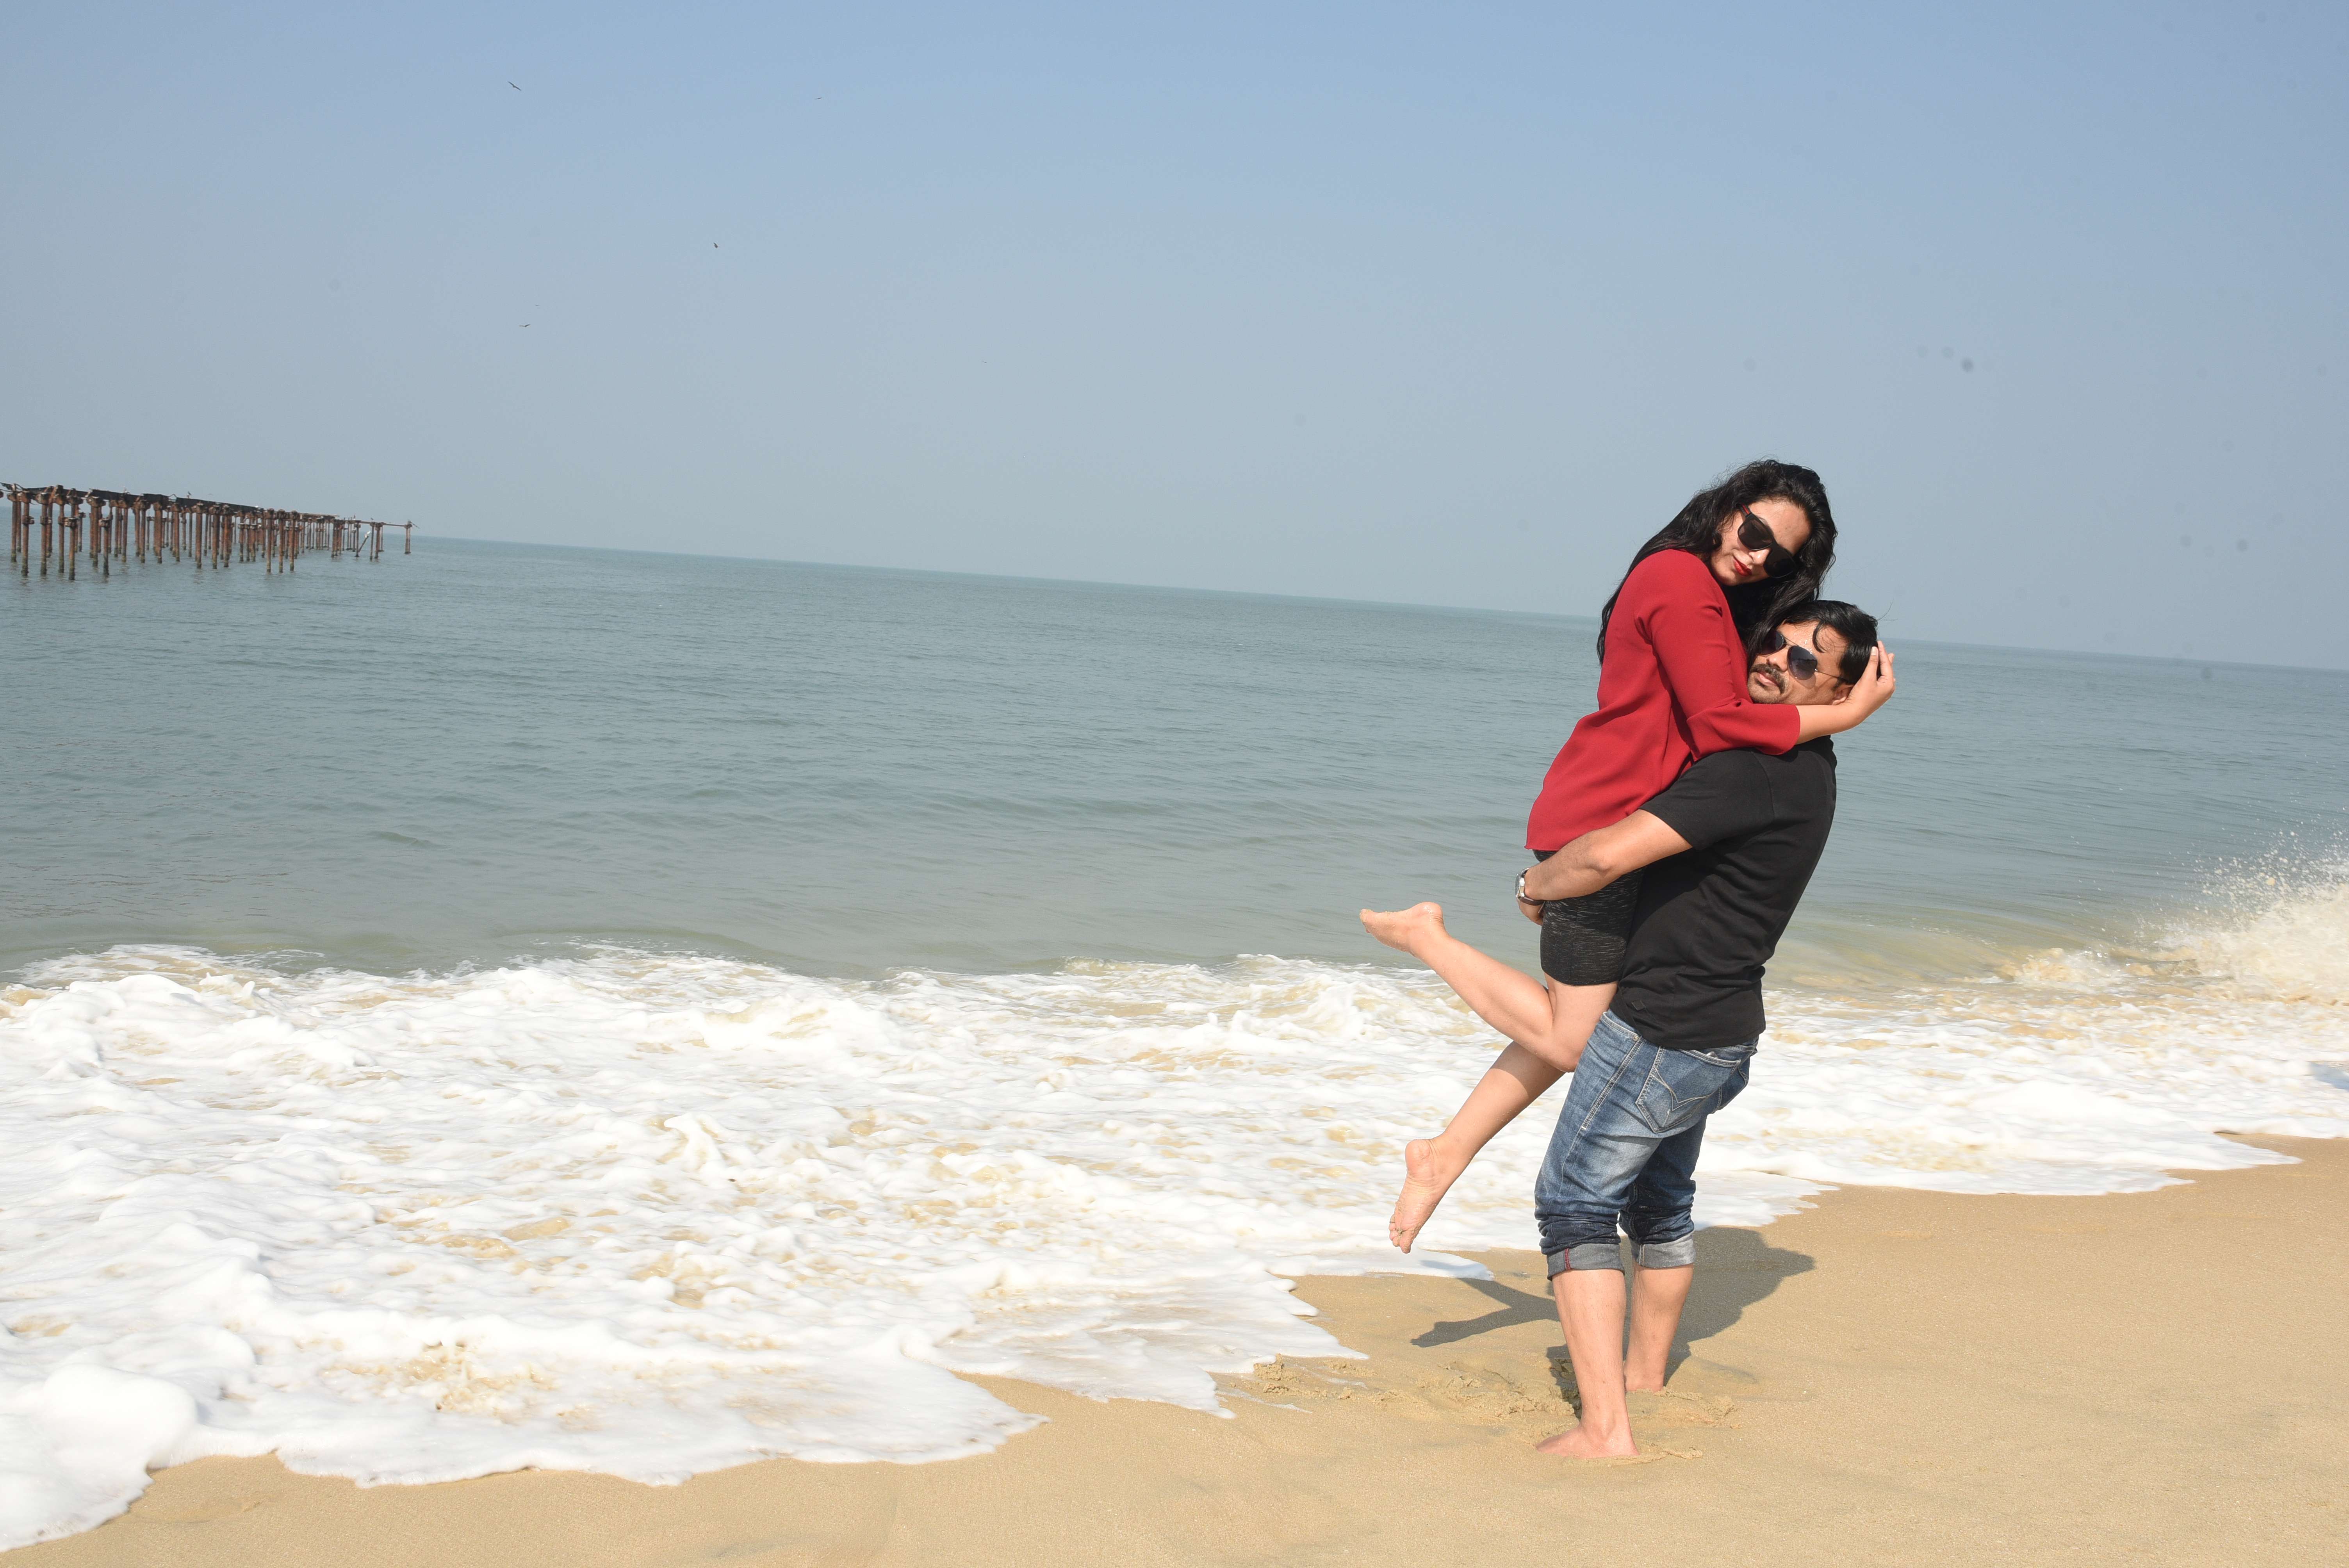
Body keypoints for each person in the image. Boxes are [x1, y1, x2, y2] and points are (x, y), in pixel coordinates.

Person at [1377, 602, 1883, 1457]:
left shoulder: (1753, 771)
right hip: (1719, 1038)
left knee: (1573, 1206)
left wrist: (1537, 882)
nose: (1775, 660)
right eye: (1775, 641)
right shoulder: (1811, 770)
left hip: (1658, 1032)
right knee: (1660, 1207)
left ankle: (1604, 1430)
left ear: (1837, 691)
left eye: (1806, 662)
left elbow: (1607, 855)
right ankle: (1644, 1379)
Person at [1363, 461, 1893, 1251]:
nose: (1756, 558)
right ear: (1724, 508)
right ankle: (1427, 939)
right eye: (1752, 533)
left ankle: (1441, 1154)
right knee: (1576, 1039)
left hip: (1621, 823)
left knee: (1577, 1026)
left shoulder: (1707, 594)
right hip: (1597, 829)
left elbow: (1724, 712)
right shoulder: (1679, 578)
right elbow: (1719, 722)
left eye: (1777, 559)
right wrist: (1844, 715)